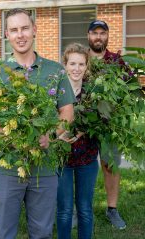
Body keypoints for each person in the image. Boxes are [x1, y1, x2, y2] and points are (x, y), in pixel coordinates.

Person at [0, 8, 75, 238]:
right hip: (6, 166)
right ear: (6, 34)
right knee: (4, 232)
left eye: (24, 28)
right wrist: (6, 136)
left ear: (34, 30)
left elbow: (67, 111)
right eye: (14, 30)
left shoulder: (55, 71)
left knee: (42, 231)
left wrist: (50, 135)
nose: (20, 34)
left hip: (43, 168)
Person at [57, 43, 99, 239]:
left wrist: (84, 129)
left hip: (87, 159)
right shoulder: (55, 92)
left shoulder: (94, 93)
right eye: (72, 63)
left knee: (84, 209)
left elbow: (101, 122)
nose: (76, 68)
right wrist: (59, 133)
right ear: (65, 64)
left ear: (87, 66)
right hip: (62, 160)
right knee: (64, 210)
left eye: (81, 64)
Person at [87, 19, 126, 230]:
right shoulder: (81, 59)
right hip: (83, 124)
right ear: (89, 36)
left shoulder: (117, 60)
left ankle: (112, 209)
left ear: (107, 36)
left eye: (102, 33)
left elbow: (128, 87)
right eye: (95, 33)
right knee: (81, 166)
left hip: (110, 125)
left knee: (111, 166)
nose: (98, 37)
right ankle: (80, 208)